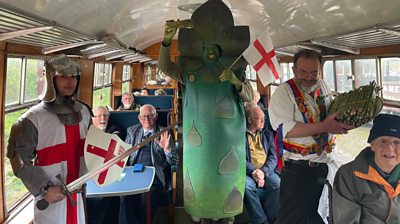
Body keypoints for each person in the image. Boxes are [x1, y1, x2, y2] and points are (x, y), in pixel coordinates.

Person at [158, 1, 252, 223]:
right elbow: (165, 67)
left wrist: (235, 80)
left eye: (215, 48)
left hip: (227, 137)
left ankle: (227, 213)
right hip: (196, 142)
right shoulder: (190, 73)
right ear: (200, 51)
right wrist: (166, 41)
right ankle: (197, 208)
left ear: (221, 52)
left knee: (225, 179)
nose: (210, 51)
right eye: (206, 48)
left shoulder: (234, 70)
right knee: (199, 177)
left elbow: (248, 95)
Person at [268, 49, 353, 224]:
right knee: (290, 219)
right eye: (303, 72)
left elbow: (330, 113)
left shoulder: (321, 86)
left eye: (314, 72)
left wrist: (344, 122)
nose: (309, 77)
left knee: (317, 217)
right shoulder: (283, 93)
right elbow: (285, 129)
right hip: (298, 169)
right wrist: (326, 126)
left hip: (323, 164)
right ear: (293, 70)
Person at [6, 54, 91, 224]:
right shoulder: (33, 118)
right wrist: (44, 188)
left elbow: (91, 147)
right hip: (52, 196)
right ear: (51, 79)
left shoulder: (84, 111)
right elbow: (18, 159)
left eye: (73, 76)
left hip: (78, 191)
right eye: (62, 76)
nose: (69, 81)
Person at [333, 114, 400, 223]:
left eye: (397, 143)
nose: (389, 149)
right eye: (383, 141)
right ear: (372, 145)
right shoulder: (349, 174)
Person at [119, 104, 176, 224]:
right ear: (139, 118)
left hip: (155, 176)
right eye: (143, 116)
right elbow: (123, 155)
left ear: (156, 117)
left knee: (146, 199)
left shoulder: (164, 132)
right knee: (125, 198)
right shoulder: (132, 131)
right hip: (132, 173)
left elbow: (175, 161)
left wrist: (167, 150)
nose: (147, 119)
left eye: (150, 115)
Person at [244, 103, 280, 224]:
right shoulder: (241, 136)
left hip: (266, 171)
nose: (264, 121)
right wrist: (254, 171)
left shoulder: (267, 133)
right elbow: (240, 159)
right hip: (249, 172)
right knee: (246, 186)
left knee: (277, 184)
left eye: (264, 119)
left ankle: (269, 220)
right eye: (260, 119)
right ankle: (261, 221)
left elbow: (273, 157)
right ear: (249, 120)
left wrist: (263, 172)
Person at [87, 105, 122, 224]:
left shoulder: (115, 130)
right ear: (93, 118)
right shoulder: (86, 132)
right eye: (99, 116)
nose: (103, 119)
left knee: (108, 197)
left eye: (106, 115)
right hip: (88, 173)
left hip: (108, 172)